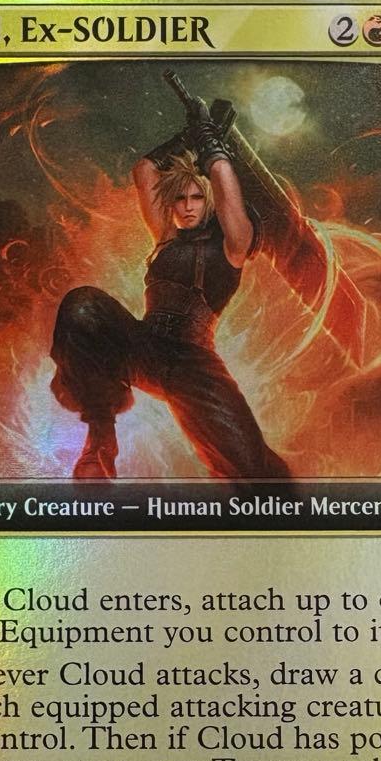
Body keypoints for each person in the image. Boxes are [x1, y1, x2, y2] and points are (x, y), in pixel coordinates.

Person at [49, 103, 292, 481]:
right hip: (145, 347)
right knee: (82, 306)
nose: (187, 207)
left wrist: (210, 143)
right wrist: (188, 137)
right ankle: (100, 440)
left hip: (193, 365)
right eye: (181, 198)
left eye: (197, 198)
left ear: (211, 201)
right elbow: (144, 171)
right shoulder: (166, 238)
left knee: (254, 470)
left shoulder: (233, 245)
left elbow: (224, 186)